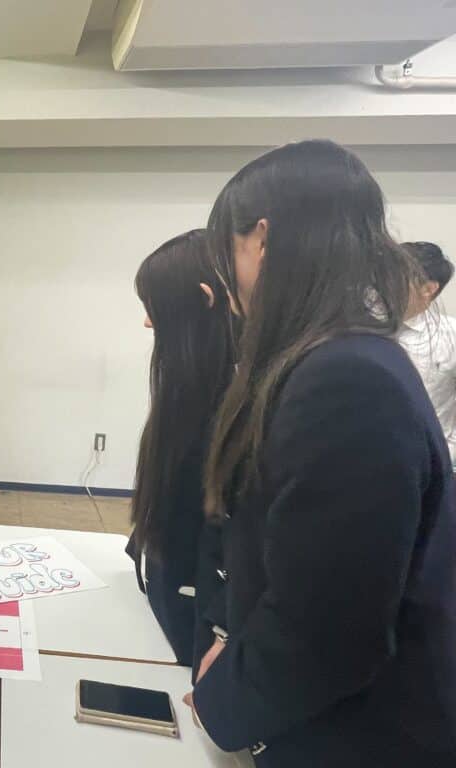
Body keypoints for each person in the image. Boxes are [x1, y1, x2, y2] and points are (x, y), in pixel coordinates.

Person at [187, 140, 456, 766]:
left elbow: (328, 634)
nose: (224, 279)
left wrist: (219, 699)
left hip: (359, 737)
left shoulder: (347, 380)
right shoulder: (333, 359)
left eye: (226, 250)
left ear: (261, 240)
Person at [125, 229, 234, 669]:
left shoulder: (240, 404)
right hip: (170, 599)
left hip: (199, 629)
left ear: (205, 298)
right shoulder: (195, 388)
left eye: (156, 307)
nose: (148, 323)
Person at [397, 241, 456, 463]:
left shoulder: (451, 336)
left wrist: (447, 456)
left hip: (434, 461)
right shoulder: (359, 329)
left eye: (397, 277)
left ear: (429, 289)